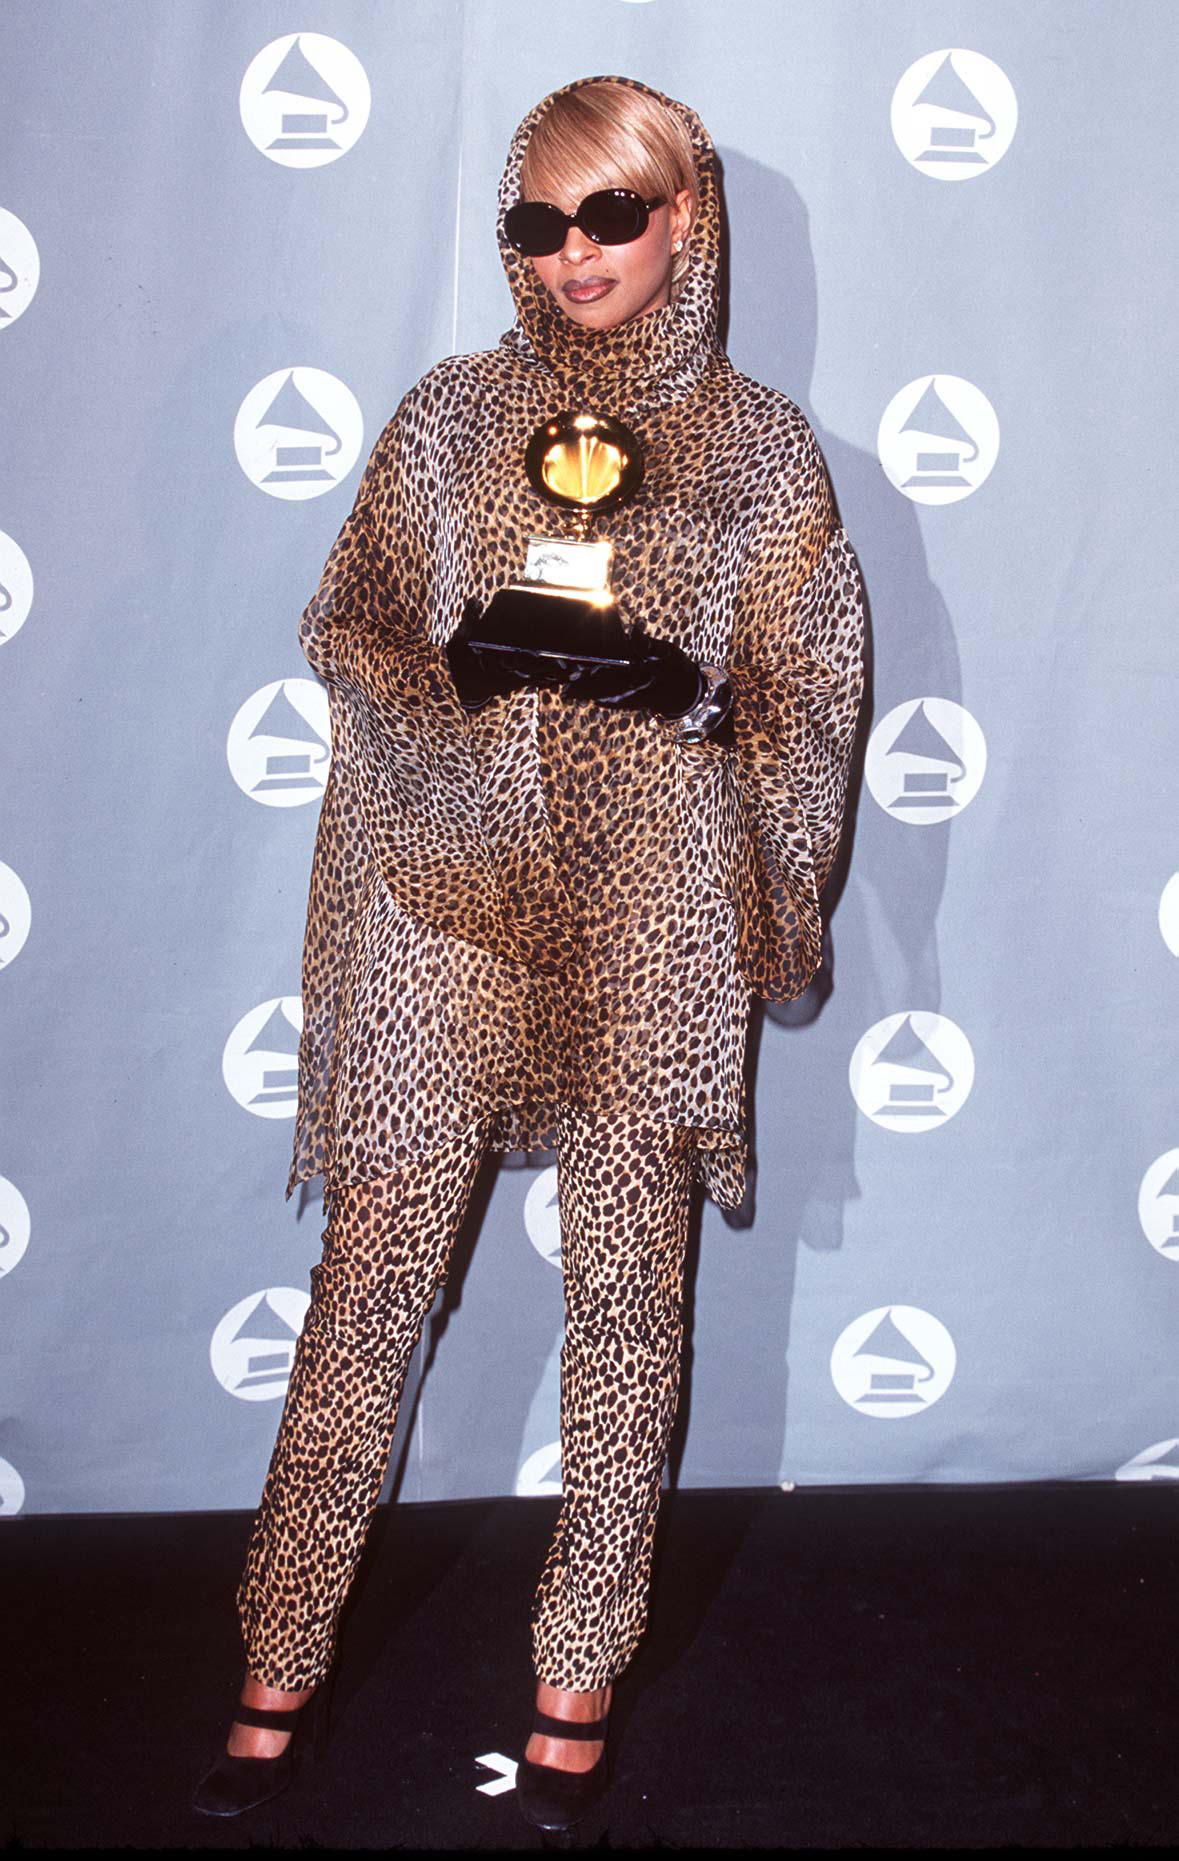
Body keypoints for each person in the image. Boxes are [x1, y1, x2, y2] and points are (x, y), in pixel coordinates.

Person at [193, 74, 864, 1834]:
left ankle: (577, 1677)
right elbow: (347, 623)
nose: (573, 255)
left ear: (686, 218)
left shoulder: (763, 451)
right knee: (370, 1291)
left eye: (609, 216)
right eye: (536, 223)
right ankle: (276, 1656)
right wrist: (458, 678)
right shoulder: (444, 420)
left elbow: (819, 696)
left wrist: (702, 694)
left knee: (632, 1304)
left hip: (657, 912)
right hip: (450, 904)